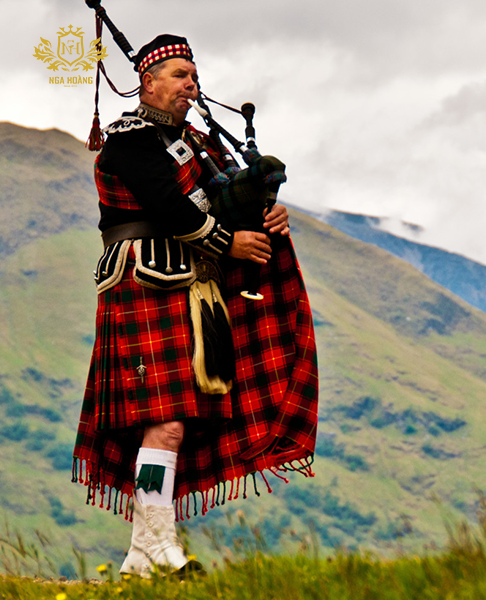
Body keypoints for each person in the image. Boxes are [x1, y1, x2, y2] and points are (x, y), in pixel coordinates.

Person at [71, 34, 318, 578]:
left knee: (172, 423)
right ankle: (161, 549)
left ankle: (144, 552)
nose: (191, 85)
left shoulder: (197, 145)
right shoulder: (129, 141)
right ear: (148, 82)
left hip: (187, 287)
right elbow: (170, 205)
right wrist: (230, 242)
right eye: (180, 75)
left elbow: (228, 197)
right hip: (143, 281)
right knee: (165, 423)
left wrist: (265, 217)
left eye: (193, 75)